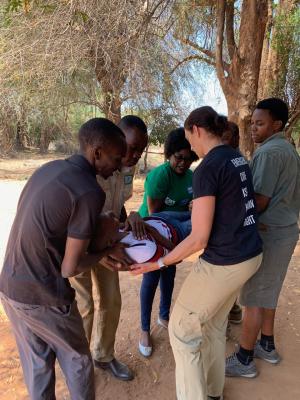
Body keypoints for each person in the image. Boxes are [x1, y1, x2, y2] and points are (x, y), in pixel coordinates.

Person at [131, 106, 263, 400]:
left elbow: (199, 238)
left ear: (197, 130)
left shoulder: (208, 168)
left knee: (181, 330)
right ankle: (214, 392)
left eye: (190, 140)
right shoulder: (236, 157)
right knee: (215, 326)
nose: (190, 149)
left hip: (225, 261)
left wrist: (160, 263)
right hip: (250, 254)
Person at [0, 118, 127, 400]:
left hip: (10, 288)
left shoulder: (50, 169)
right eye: (116, 158)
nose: (119, 166)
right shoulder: (88, 190)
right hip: (45, 296)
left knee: (38, 366)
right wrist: (106, 251)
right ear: (96, 153)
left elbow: (53, 234)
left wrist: (99, 240)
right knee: (79, 362)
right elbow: (70, 268)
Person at [226, 98, 300, 378]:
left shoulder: (268, 153)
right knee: (268, 292)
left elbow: (259, 201)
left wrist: (228, 215)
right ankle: (266, 344)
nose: (253, 129)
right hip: (285, 231)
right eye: (252, 123)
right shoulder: (288, 149)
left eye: (260, 123)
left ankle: (244, 359)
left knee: (254, 296)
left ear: (276, 124)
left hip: (270, 233)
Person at [70, 115, 148, 381]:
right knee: (84, 305)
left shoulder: (125, 167)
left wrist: (131, 217)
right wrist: (98, 252)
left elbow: (116, 205)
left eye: (141, 150)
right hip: (79, 246)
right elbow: (79, 218)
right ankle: (78, 366)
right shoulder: (91, 167)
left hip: (108, 243)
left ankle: (103, 355)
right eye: (132, 148)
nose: (135, 155)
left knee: (112, 300)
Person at [138, 128, 198, 357]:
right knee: (151, 277)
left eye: (188, 158)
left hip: (175, 235)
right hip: (152, 234)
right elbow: (155, 217)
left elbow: (189, 209)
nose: (183, 163)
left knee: (169, 276)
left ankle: (164, 316)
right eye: (178, 157)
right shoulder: (159, 176)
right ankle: (144, 329)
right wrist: (174, 249)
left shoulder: (192, 177)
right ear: (169, 155)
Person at [222, 121, 243, 326]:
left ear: (236, 139)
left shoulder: (230, 161)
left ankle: (227, 315)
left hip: (230, 230)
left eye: (225, 138)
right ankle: (233, 309)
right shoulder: (239, 160)